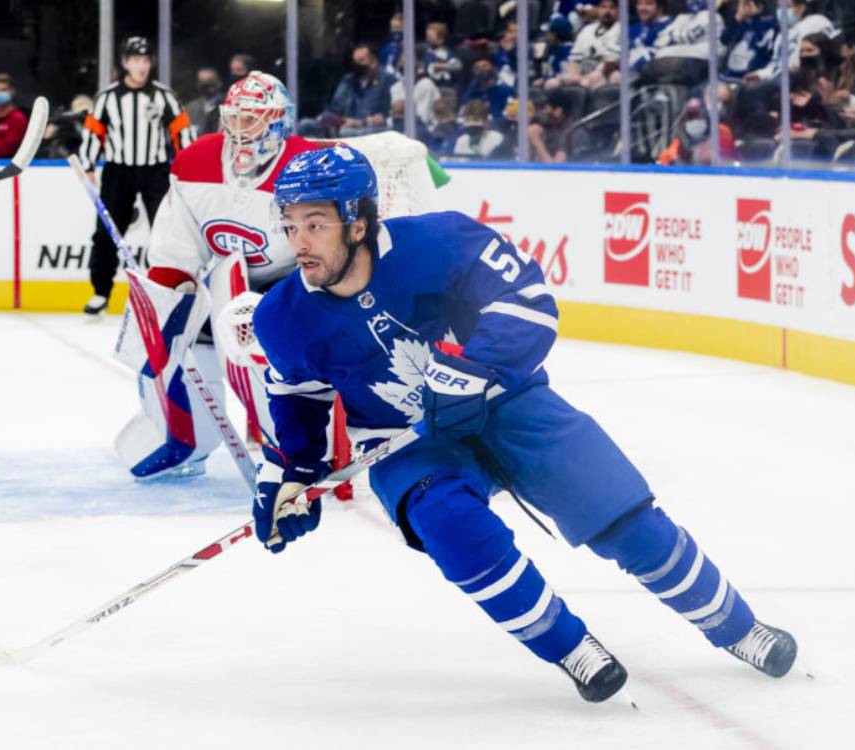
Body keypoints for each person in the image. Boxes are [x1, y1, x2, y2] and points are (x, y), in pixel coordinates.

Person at [250, 145, 799, 703]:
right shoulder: (281, 316)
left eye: (315, 224)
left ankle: (737, 627)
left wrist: (471, 371)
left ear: (358, 222)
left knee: (621, 513)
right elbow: (299, 397)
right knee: (450, 526)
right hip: (405, 443)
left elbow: (528, 300)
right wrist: (293, 476)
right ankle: (571, 648)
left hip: (505, 400)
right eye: (290, 223)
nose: (298, 241)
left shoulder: (439, 242)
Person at [116, 71, 332, 480]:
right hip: (226, 282)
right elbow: (176, 244)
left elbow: (327, 252)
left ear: (277, 121)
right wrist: (169, 286)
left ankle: (297, 446)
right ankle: (182, 439)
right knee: (173, 340)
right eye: (233, 117)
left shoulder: (305, 167)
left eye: (250, 118)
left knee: (264, 347)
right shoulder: (196, 160)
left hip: (292, 287)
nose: (238, 128)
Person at [76, 36, 195, 318]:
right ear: (125, 63)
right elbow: (93, 132)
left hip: (155, 171)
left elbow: (182, 130)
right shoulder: (107, 97)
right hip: (118, 172)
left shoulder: (163, 95)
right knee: (106, 232)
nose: (141, 66)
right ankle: (101, 292)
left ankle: (167, 291)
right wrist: (88, 166)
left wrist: (188, 166)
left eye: (145, 60)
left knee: (166, 233)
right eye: (135, 60)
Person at [547, 0, 619, 89]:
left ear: (619, 10)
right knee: (552, 83)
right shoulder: (587, 30)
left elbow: (611, 63)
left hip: (605, 74)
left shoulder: (621, 29)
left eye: (612, 7)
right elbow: (575, 59)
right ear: (597, 9)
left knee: (606, 78)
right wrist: (572, 76)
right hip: (583, 73)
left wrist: (586, 79)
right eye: (603, 7)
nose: (607, 11)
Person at [720, 0, 777, 83]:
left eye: (747, 4)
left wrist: (755, 17)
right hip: (728, 73)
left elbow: (763, 49)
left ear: (760, 6)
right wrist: (738, 17)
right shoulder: (741, 22)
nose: (744, 8)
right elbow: (724, 40)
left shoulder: (769, 25)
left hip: (748, 77)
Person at [184, 66, 223, 136]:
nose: (206, 84)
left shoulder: (227, 104)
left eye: (210, 80)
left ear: (219, 82)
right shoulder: (191, 107)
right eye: (202, 81)